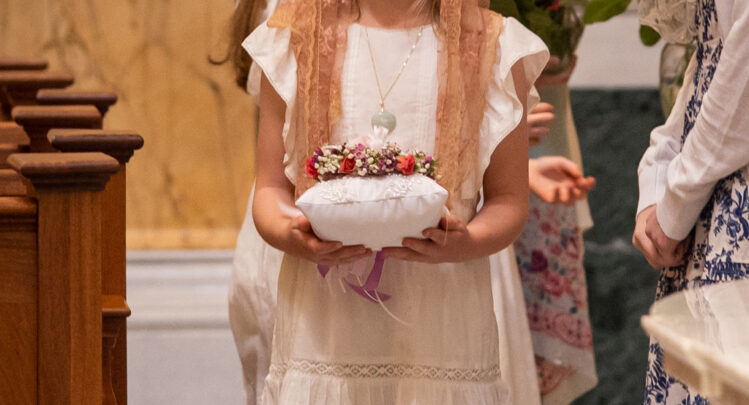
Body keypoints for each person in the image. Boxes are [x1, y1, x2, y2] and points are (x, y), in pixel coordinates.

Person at [228, 0, 552, 402]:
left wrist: (464, 242)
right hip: (326, 328)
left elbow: (508, 201)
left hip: (442, 324)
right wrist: (291, 231)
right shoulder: (294, 37)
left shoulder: (493, 45)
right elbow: (271, 189)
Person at [633, 0, 749, 403]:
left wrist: (674, 205)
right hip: (706, 207)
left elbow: (742, 91)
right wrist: (656, 179)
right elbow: (708, 64)